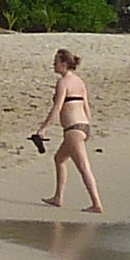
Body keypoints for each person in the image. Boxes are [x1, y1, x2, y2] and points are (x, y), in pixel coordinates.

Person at [35, 47, 106, 215]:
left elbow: (57, 107)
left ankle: (96, 204)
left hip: (73, 129)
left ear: (64, 64)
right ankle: (58, 197)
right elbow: (86, 106)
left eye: (56, 62)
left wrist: (43, 128)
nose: (53, 64)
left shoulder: (63, 82)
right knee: (59, 159)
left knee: (83, 167)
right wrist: (87, 127)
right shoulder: (79, 81)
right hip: (82, 127)